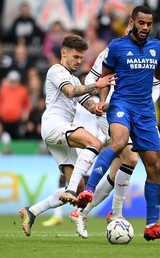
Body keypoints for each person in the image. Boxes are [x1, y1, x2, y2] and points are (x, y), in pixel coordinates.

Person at [77, 6, 160, 241]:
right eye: (141, 23)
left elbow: (158, 74)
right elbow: (104, 78)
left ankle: (152, 226)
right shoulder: (117, 46)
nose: (145, 28)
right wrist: (101, 100)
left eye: (149, 24)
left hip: (145, 111)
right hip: (121, 105)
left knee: (154, 166)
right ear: (132, 22)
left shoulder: (156, 47)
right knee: (118, 143)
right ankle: (88, 190)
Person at [69, 24, 160, 239]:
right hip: (112, 111)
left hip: (137, 112)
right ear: (130, 25)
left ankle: (85, 211)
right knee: (129, 157)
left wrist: (142, 104)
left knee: (127, 162)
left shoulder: (148, 52)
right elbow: (93, 80)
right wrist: (102, 102)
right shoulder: (112, 51)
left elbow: (155, 86)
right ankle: (111, 211)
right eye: (133, 25)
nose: (137, 30)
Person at [19, 34, 115, 237]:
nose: (79, 61)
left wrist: (100, 106)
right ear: (64, 53)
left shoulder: (73, 78)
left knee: (79, 187)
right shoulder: (56, 70)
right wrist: (97, 84)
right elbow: (71, 92)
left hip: (59, 132)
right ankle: (70, 190)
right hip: (54, 124)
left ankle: (32, 211)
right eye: (76, 57)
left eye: (81, 58)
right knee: (95, 143)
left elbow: (87, 104)